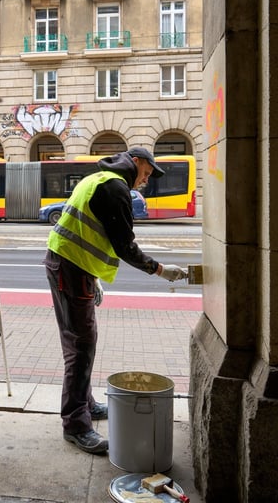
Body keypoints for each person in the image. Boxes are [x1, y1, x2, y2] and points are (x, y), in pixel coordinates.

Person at [44, 147, 187, 455]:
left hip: (72, 265)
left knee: (82, 341)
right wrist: (160, 270)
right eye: (146, 173)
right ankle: (76, 425)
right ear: (135, 162)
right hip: (71, 268)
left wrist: (93, 277)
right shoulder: (115, 187)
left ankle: (85, 403)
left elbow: (85, 230)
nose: (145, 181)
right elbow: (124, 246)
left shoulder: (98, 178)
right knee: (81, 345)